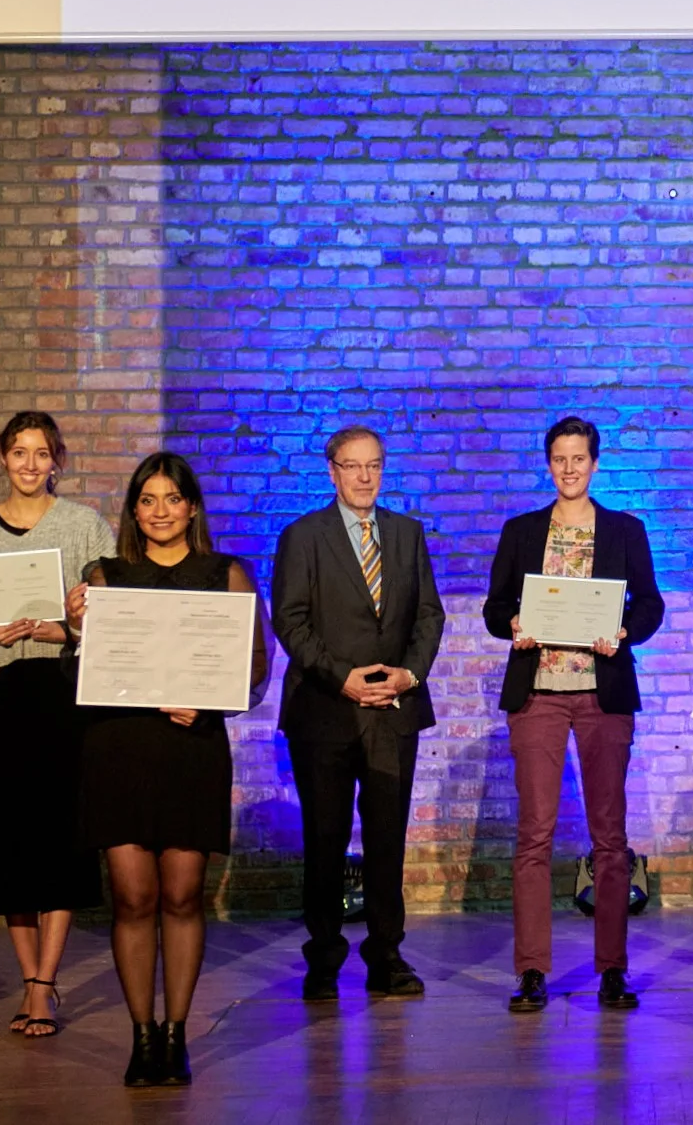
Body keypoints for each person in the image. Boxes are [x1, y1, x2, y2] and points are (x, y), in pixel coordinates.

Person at [64, 453, 271, 1086]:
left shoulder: (225, 573)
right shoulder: (105, 575)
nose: (160, 511)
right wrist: (76, 629)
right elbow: (82, 673)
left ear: (192, 507)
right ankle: (140, 1034)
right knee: (133, 897)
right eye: (147, 500)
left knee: (182, 897)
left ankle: (176, 1034)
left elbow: (257, 670)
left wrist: (209, 700)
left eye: (172, 499)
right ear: (133, 510)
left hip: (192, 747)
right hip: (119, 748)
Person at [0, 411, 115, 1039]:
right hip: (1, 692)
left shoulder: (83, 525)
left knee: (60, 832)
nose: (31, 465)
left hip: (62, 690)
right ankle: (28, 972)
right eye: (19, 453)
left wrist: (54, 625)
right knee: (11, 833)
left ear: (57, 459)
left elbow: (111, 612)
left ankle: (43, 984)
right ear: (2, 459)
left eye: (42, 453)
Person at [485, 415, 666, 1013]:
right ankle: (532, 969)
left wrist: (623, 632)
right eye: (559, 458)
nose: (569, 468)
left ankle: (612, 969)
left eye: (579, 458)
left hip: (602, 691)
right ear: (548, 463)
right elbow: (495, 607)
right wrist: (512, 624)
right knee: (534, 834)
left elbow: (650, 603)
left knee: (609, 839)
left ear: (595, 463)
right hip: (537, 692)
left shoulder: (624, 529)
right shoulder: (521, 530)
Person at [271, 425, 446, 1001]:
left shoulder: (406, 533)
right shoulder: (303, 536)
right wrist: (341, 678)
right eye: (353, 466)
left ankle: (386, 955)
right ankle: (323, 959)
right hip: (325, 710)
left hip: (392, 709)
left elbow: (429, 616)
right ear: (332, 471)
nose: (365, 477)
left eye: (374, 466)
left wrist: (409, 674)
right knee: (324, 837)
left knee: (388, 838)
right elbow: (290, 620)